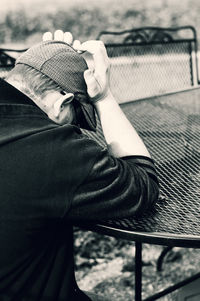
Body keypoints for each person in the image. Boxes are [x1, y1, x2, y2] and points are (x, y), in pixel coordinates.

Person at [0, 30, 159, 301]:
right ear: (63, 103)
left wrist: (47, 56)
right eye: (75, 123)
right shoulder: (51, 147)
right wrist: (103, 97)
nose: (75, 133)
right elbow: (144, 185)